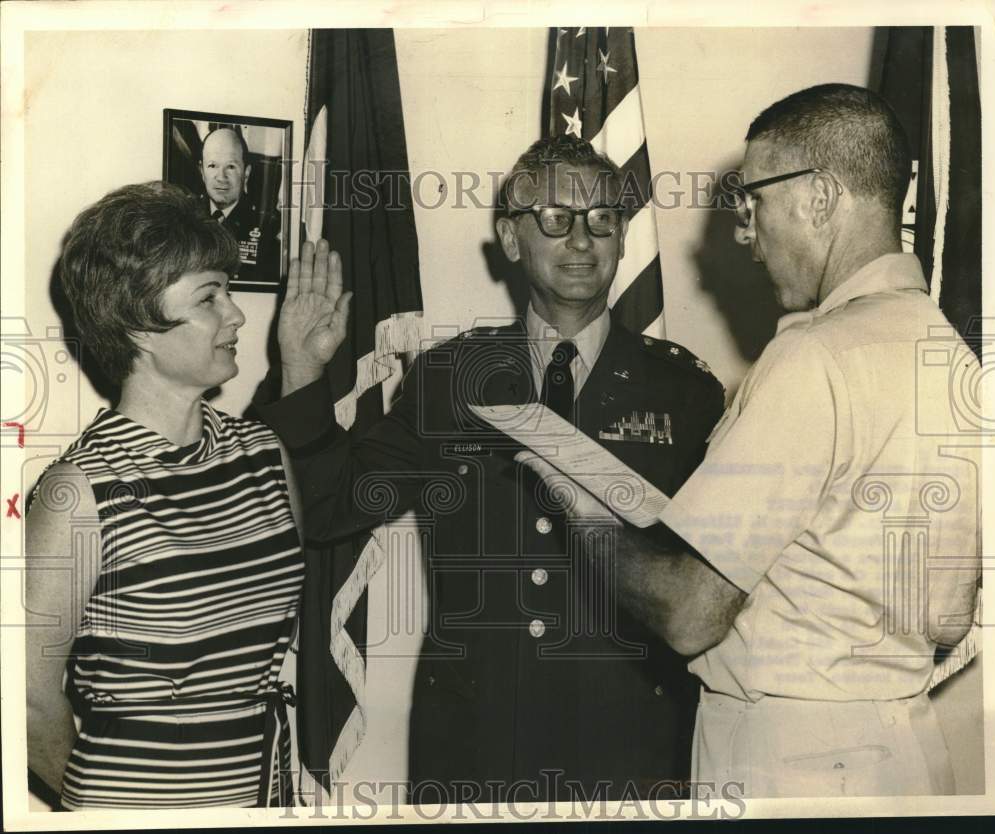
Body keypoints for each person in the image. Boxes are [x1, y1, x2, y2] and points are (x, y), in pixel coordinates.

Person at [520, 84, 981, 798]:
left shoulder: (815, 357)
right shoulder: (952, 355)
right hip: (905, 746)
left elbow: (689, 615)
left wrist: (584, 508)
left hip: (791, 756)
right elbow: (952, 618)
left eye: (756, 199)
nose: (746, 231)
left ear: (821, 198)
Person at [255, 135, 725, 801]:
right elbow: (330, 507)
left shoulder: (683, 390)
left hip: (631, 742)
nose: (583, 242)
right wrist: (301, 369)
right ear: (511, 238)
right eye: (557, 221)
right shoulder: (450, 378)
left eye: (603, 221)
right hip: (476, 747)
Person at [25, 182, 308, 809]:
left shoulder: (263, 455)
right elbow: (26, 697)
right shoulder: (79, 493)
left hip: (267, 798)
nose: (236, 314)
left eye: (227, 291)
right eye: (210, 296)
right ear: (138, 327)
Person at [199, 126, 280, 284]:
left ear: (246, 173)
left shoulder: (269, 228)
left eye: (231, 166)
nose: (221, 177)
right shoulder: (184, 218)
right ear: (202, 171)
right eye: (212, 166)